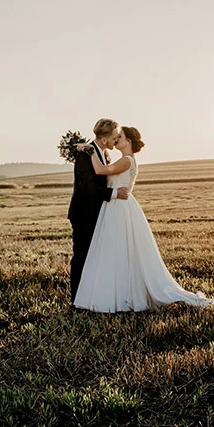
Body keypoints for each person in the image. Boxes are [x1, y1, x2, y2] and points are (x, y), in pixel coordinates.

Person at [73, 126, 214, 312]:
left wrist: (89, 150)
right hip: (113, 207)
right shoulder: (122, 159)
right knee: (115, 250)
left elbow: (100, 171)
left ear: (129, 141)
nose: (116, 140)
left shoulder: (127, 160)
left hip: (121, 208)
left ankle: (122, 294)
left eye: (120, 137)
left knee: (121, 248)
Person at [67, 119, 129, 303]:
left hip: (98, 214)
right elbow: (87, 187)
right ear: (104, 140)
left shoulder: (103, 154)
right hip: (84, 214)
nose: (116, 139)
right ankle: (77, 299)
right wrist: (115, 193)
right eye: (114, 137)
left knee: (96, 257)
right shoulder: (85, 154)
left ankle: (92, 296)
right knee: (82, 256)